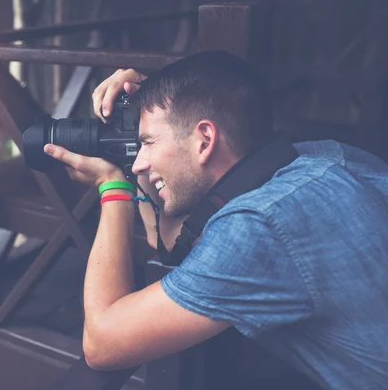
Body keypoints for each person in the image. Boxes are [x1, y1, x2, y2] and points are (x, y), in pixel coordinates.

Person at [42, 51, 388, 389]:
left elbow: (102, 344)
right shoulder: (324, 156)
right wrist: (149, 119)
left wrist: (112, 187)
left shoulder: (257, 228)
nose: (138, 163)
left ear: (205, 139)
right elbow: (166, 239)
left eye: (147, 143)